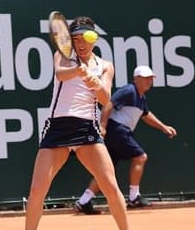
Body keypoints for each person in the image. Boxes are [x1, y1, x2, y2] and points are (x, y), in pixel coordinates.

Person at [25, 16, 130, 230]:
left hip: (86, 130)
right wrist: (78, 71)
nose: (81, 44)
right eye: (76, 39)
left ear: (94, 39)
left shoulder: (105, 66)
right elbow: (60, 74)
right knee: (37, 190)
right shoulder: (63, 56)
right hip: (57, 128)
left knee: (110, 185)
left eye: (85, 38)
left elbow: (105, 98)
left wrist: (96, 83)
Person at [75, 65, 177, 214]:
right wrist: (102, 126)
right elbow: (108, 104)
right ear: (136, 79)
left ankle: (84, 201)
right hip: (118, 130)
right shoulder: (129, 90)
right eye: (146, 78)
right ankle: (134, 197)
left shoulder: (141, 97)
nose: (149, 81)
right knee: (140, 157)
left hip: (119, 132)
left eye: (150, 78)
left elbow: (146, 115)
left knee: (106, 170)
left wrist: (163, 127)